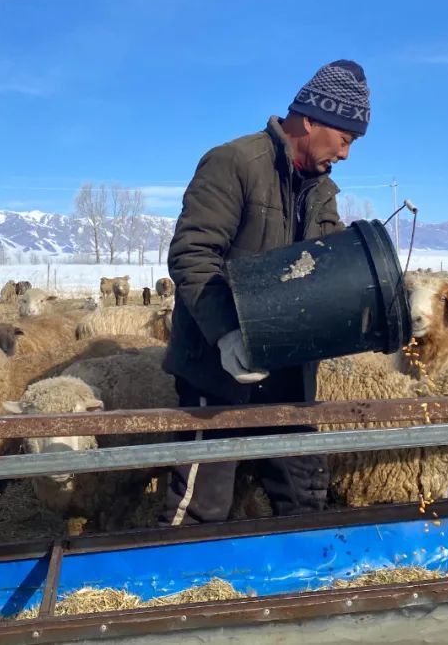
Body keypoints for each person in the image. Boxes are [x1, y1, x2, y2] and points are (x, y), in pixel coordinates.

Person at [159, 59, 371, 526]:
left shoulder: (322, 191)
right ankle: (179, 588)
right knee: (203, 503)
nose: (347, 154)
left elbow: (327, 268)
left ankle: (296, 587)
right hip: (217, 367)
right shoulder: (234, 162)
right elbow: (193, 255)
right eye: (346, 139)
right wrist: (227, 335)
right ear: (312, 120)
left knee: (304, 492)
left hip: (288, 367)